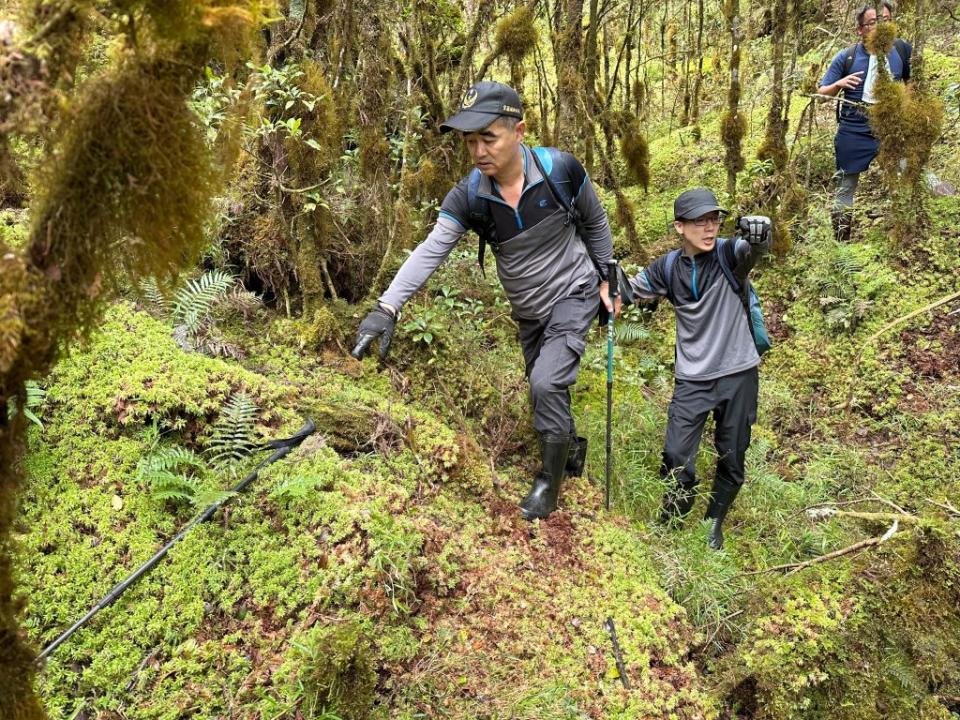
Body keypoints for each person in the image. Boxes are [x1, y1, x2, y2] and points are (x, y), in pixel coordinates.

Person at [351, 81, 619, 521]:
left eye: (487, 138)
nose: (478, 151)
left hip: (575, 292)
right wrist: (387, 307)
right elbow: (433, 247)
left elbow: (594, 220)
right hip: (528, 310)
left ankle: (548, 487)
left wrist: (608, 274)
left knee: (546, 382)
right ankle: (571, 454)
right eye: (470, 141)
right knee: (543, 386)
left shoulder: (560, 172)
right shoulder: (471, 196)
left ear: (519, 130)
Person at [626, 189, 771, 550]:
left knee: (732, 453)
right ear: (679, 226)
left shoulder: (729, 254)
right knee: (676, 454)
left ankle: (713, 521)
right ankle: (675, 512)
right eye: (699, 221)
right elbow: (629, 292)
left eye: (714, 220)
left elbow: (753, 251)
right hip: (692, 378)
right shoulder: (668, 268)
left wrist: (760, 236)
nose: (709, 228)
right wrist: (605, 284)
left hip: (738, 373)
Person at [818, 1, 912, 241]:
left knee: (903, 176)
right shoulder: (847, 56)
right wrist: (839, 84)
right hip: (853, 129)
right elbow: (821, 94)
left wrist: (905, 106)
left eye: (884, 20)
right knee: (846, 186)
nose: (878, 27)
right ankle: (841, 244)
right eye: (871, 23)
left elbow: (911, 83)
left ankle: (902, 234)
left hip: (889, 128)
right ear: (860, 29)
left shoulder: (901, 49)